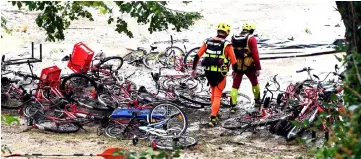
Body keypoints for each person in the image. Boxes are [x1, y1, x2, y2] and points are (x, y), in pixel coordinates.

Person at [191, 22, 237, 127]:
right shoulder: (227, 44)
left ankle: (214, 113)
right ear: (227, 33)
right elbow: (234, 61)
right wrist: (235, 71)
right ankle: (213, 118)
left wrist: (193, 70)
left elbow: (197, 56)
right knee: (217, 95)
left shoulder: (207, 41)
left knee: (213, 92)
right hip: (220, 73)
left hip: (208, 72)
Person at [230, 22, 262, 113]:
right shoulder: (252, 39)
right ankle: (257, 100)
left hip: (237, 66)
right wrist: (258, 68)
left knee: (235, 85)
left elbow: (231, 53)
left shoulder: (234, 38)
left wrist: (232, 67)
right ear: (251, 30)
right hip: (249, 66)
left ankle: (233, 106)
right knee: (254, 83)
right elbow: (255, 54)